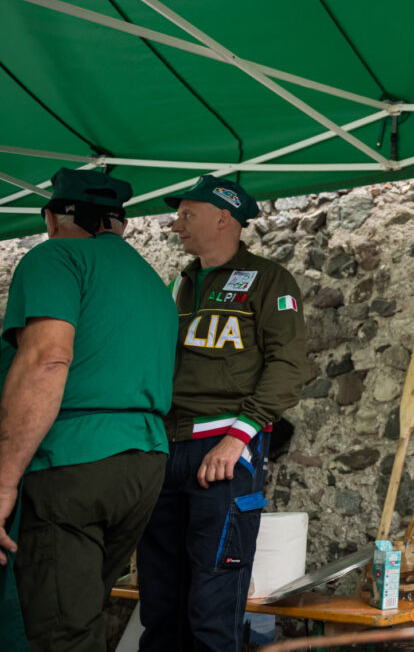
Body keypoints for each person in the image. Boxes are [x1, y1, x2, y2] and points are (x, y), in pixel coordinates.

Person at [0, 168, 177, 651]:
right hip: (143, 464)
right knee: (84, 611)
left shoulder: (56, 256)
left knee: (59, 630)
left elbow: (46, 359)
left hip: (72, 463)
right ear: (120, 223)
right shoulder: (151, 280)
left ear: (53, 218)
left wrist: (3, 481)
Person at [137, 175, 308, 652]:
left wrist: (239, 436)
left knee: (213, 604)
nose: (175, 226)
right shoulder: (177, 285)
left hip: (225, 450)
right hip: (164, 450)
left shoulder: (270, 279)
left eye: (186, 214)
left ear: (223, 218)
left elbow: (290, 365)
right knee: (160, 602)